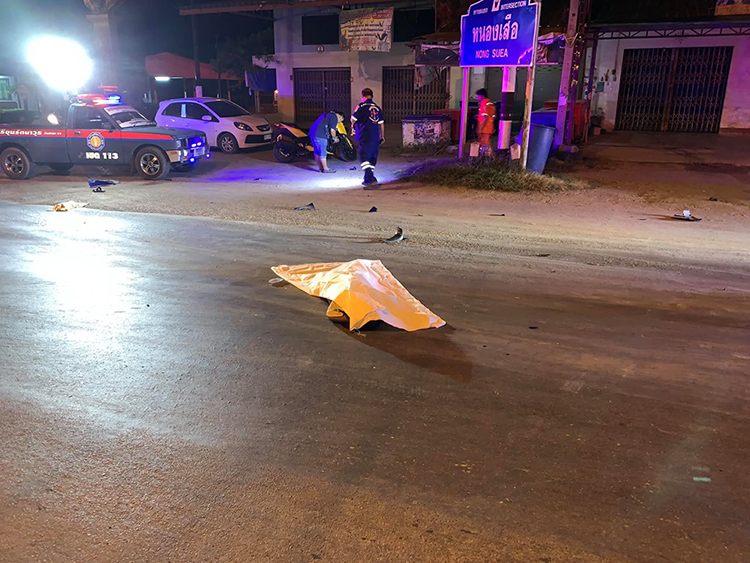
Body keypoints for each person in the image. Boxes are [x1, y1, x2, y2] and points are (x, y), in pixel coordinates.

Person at [351, 88, 384, 186]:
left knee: (363, 155)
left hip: (365, 135)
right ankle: (367, 178)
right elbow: (381, 124)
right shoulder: (377, 108)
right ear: (372, 96)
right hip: (375, 136)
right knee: (372, 156)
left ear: (363, 96)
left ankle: (370, 177)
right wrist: (382, 136)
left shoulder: (361, 106)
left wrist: (353, 129)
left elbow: (353, 119)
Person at [476, 88, 496, 158]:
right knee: (484, 143)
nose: (477, 97)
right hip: (487, 127)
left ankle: (490, 157)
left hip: (486, 128)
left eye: (478, 96)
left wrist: (481, 128)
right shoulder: (487, 103)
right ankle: (488, 157)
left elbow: (485, 117)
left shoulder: (485, 104)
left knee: (485, 143)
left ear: (482, 96)